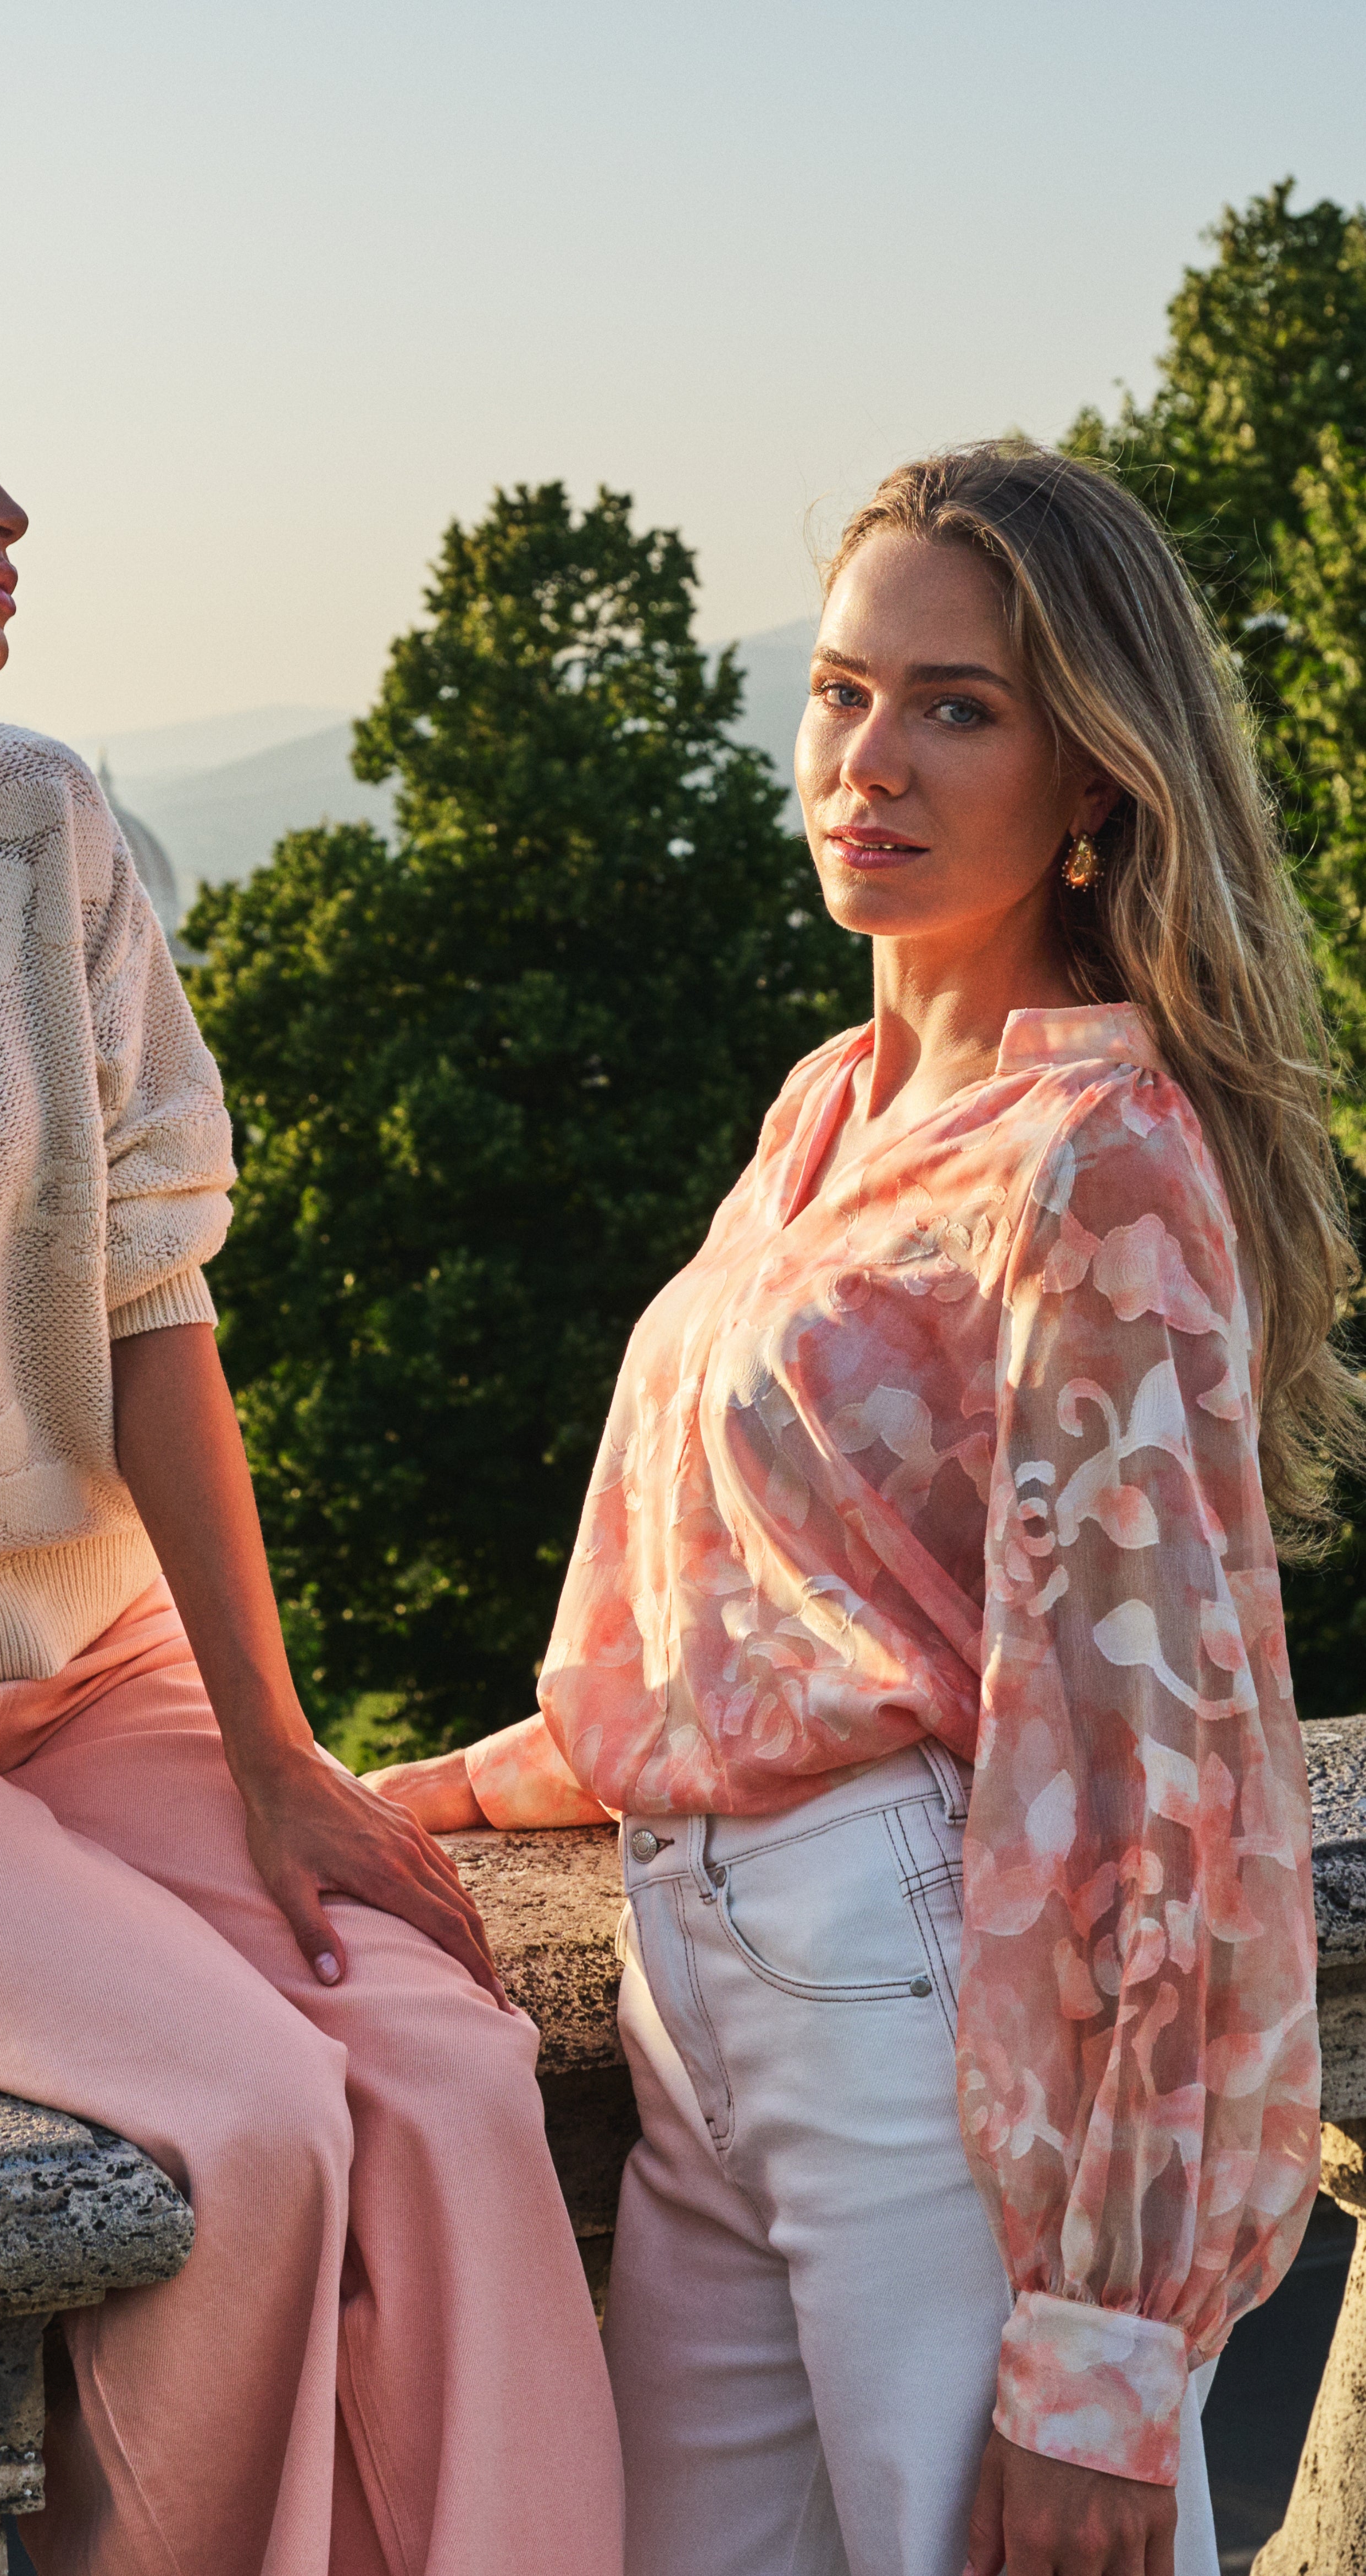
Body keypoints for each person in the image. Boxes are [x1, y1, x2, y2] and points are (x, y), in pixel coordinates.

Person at [0, 263, 624, 2576]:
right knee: (245, 2119)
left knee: (452, 2071)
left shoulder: (29, 827)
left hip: (98, 1670)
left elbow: (149, 1313)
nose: (2, 508)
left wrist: (277, 1747)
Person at [370, 442, 1350, 2576]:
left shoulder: (1095, 1156)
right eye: (839, 691)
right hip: (697, 1983)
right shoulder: (830, 1104)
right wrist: (472, 1784)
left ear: (1089, 775)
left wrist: (1104, 2346)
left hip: (913, 1998)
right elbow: (771, 1586)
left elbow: (1162, 1763)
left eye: (954, 707)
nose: (867, 760)